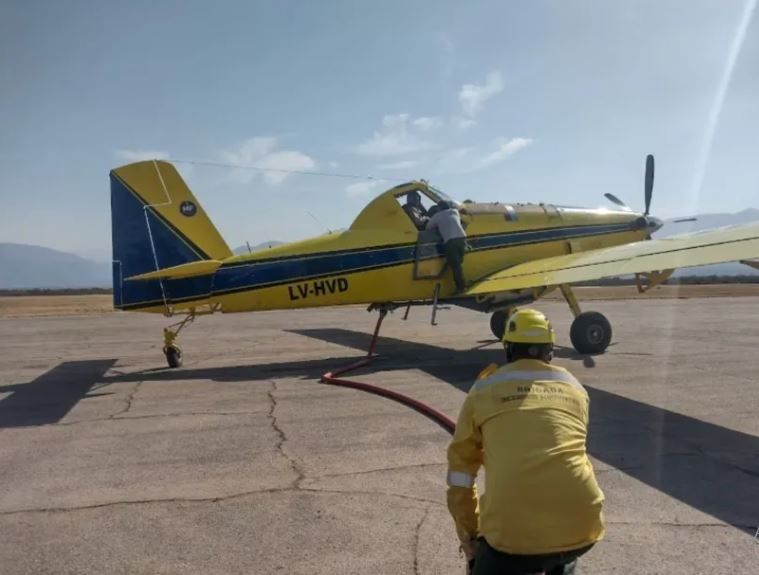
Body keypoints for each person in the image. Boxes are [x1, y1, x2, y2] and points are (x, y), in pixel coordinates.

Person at [446, 308, 605, 575]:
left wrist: (470, 537)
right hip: (582, 523)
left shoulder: (483, 390)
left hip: (510, 538)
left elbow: (461, 475)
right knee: (562, 554)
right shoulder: (575, 388)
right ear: (550, 350)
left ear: (508, 349)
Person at [425, 200, 468, 292]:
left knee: (455, 266)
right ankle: (463, 282)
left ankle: (461, 287)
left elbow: (428, 227)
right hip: (462, 239)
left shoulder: (437, 216)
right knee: (459, 263)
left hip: (450, 241)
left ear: (439, 208)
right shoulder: (454, 211)